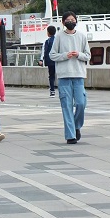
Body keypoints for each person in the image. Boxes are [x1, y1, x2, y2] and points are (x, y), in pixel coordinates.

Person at [49, 11, 91, 144]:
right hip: (64, 76)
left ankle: (76, 126)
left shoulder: (82, 36)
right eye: (68, 20)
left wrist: (78, 54)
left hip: (79, 75)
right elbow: (52, 55)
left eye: (73, 19)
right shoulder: (59, 37)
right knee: (66, 106)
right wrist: (65, 55)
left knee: (80, 103)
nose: (70, 22)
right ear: (63, 22)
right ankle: (70, 135)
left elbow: (88, 55)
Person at [39, 25, 57, 97]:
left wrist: (41, 60)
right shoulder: (57, 40)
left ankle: (52, 90)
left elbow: (44, 51)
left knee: (51, 76)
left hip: (50, 61)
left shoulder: (47, 41)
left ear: (48, 33)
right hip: (58, 60)